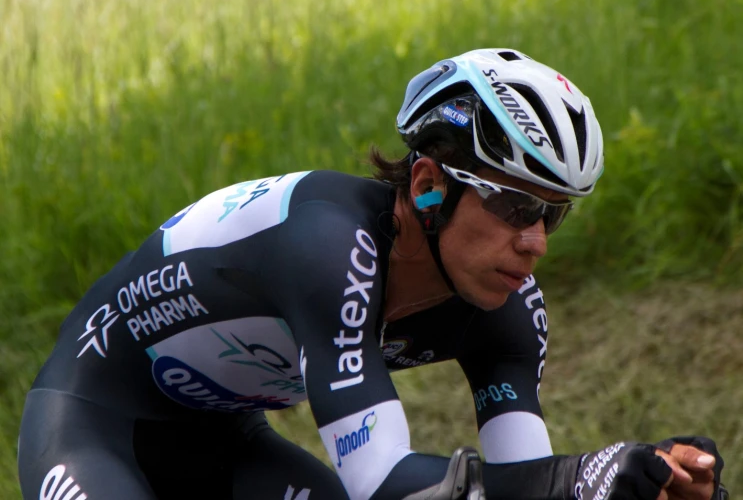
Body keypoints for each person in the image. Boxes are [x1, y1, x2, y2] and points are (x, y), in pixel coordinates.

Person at [18, 48, 727, 500]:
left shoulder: (508, 306)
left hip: (225, 442)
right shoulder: (328, 245)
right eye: (515, 205)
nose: (535, 242)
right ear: (426, 184)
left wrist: (647, 481)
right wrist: (586, 480)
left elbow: (528, 486)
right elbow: (382, 482)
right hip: (91, 423)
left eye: (553, 215)